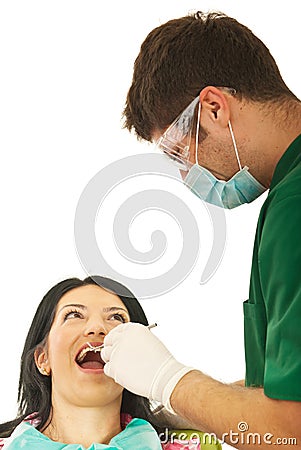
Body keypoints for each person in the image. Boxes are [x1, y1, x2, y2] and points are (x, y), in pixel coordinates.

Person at [100, 11, 301, 449]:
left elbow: (291, 432)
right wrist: (198, 407)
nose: (186, 174)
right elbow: (286, 387)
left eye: (178, 152)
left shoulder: (295, 207)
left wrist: (171, 381)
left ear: (214, 107)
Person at [0, 276, 220, 449]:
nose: (97, 328)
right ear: (42, 359)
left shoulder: (197, 446)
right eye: (74, 315)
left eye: (116, 318)